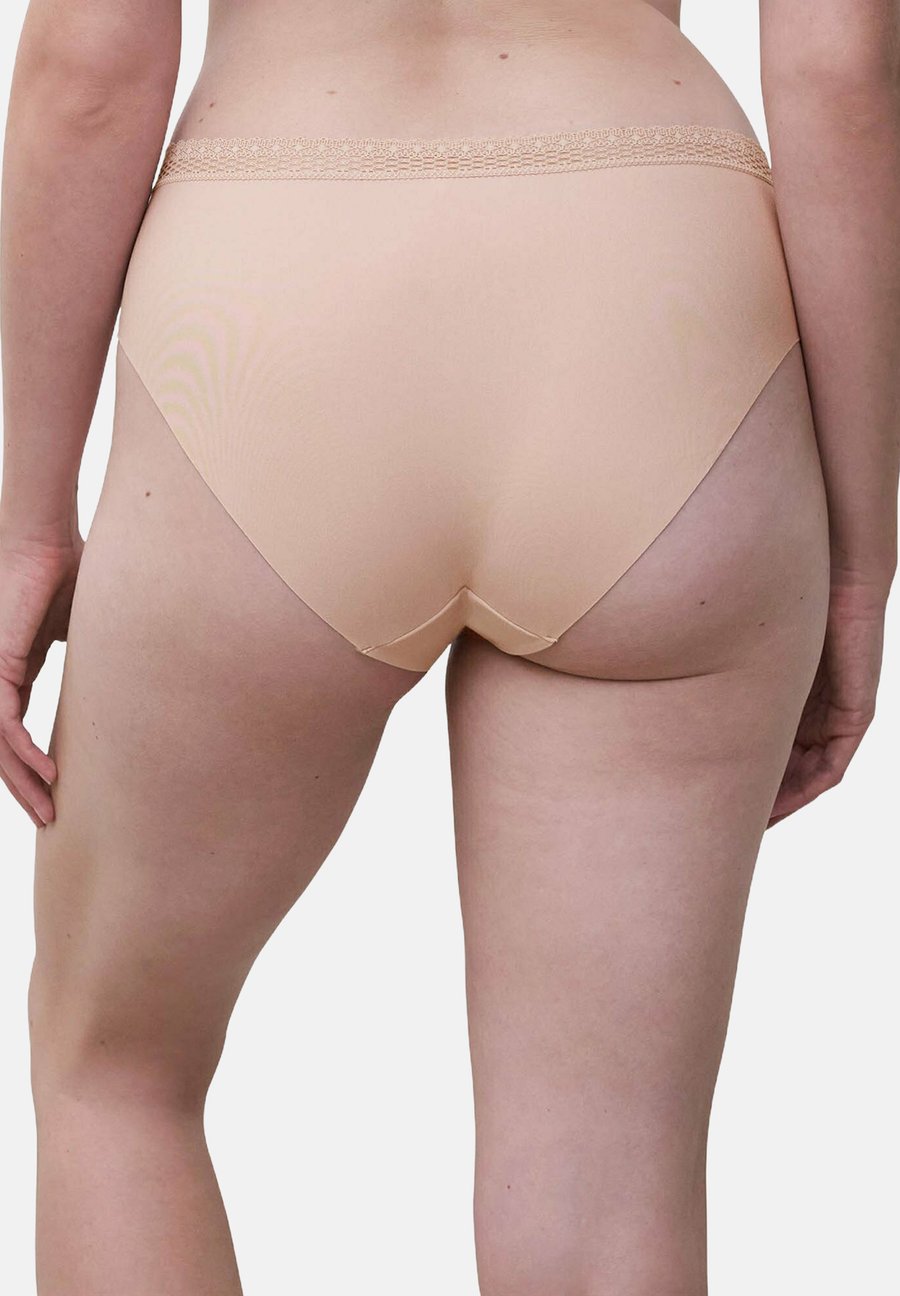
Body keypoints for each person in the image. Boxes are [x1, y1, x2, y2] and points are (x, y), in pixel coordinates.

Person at [0, 0, 896, 1291]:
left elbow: (90, 67)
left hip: (277, 289)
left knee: (115, 1076)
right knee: (605, 1191)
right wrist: (862, 562)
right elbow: (841, 71)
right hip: (653, 293)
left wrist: (29, 519)